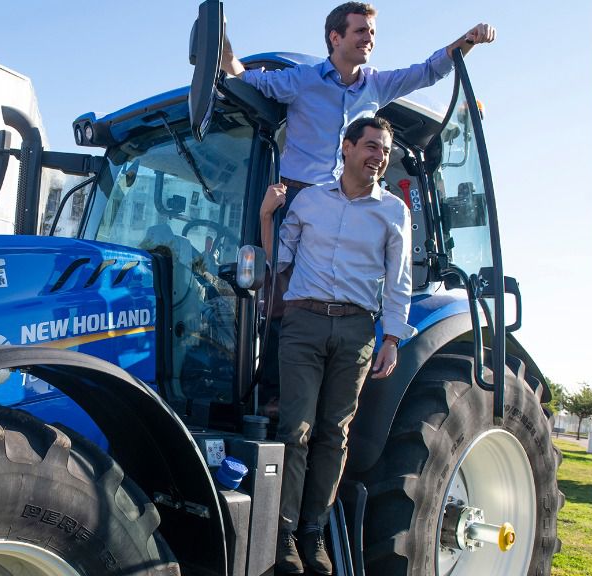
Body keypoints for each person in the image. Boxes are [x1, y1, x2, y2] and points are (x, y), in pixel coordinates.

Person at [260, 116, 416, 575]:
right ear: (346, 148)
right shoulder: (309, 201)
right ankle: (285, 532)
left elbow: (398, 278)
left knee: (335, 434)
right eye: (370, 146)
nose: (379, 156)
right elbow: (277, 260)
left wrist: (391, 336)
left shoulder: (393, 211)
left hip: (356, 331)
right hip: (304, 323)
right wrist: (268, 215)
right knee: (297, 430)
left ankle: (313, 531)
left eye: (384, 150)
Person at [222, 2, 495, 204]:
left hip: (347, 202)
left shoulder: (377, 85)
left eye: (373, 33)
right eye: (361, 31)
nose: (369, 39)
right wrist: (220, 44)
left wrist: (468, 41)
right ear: (335, 37)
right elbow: (246, 78)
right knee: (285, 277)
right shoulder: (302, 80)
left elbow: (428, 72)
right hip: (297, 196)